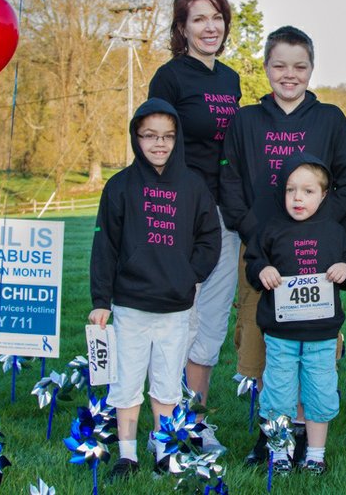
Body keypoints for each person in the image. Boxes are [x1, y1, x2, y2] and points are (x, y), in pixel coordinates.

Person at [220, 25, 346, 464]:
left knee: (314, 344)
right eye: (279, 65)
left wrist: (319, 230)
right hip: (265, 256)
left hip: (317, 258)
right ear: (266, 68)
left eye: (299, 66)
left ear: (311, 69)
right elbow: (230, 184)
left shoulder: (331, 119)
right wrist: (254, 233)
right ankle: (273, 431)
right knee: (265, 341)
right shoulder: (246, 120)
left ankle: (305, 430)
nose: (289, 74)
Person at [88, 97, 221, 479]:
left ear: (177, 138)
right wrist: (101, 300)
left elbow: (210, 238)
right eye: (149, 136)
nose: (159, 144)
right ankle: (127, 455)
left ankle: (164, 452)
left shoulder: (193, 185)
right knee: (126, 383)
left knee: (166, 385)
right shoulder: (120, 186)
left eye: (167, 136)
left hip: (176, 308)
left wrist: (188, 274)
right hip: (130, 307)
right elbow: (105, 246)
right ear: (136, 137)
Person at [148, 0, 241, 453]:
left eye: (217, 17)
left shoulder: (230, 80)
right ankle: (164, 426)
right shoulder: (169, 78)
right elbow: (155, 148)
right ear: (182, 28)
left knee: (210, 324)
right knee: (175, 321)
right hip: (182, 217)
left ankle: (196, 421)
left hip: (224, 219)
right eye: (200, 19)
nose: (211, 27)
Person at [244, 154, 346, 475]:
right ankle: (280, 452)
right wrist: (262, 268)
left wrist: (345, 268)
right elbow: (253, 264)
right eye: (291, 190)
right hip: (280, 334)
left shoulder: (335, 233)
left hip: (321, 335)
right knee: (279, 391)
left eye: (308, 191)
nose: (298, 198)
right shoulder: (270, 231)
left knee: (319, 392)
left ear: (324, 195)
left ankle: (315, 455)